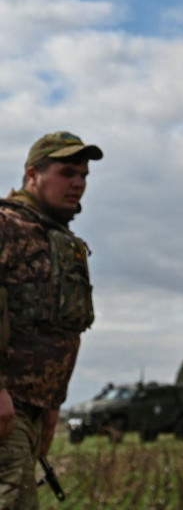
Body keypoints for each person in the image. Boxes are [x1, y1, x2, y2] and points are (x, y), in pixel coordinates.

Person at [0, 132, 101, 510]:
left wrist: (52, 403)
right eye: (67, 172)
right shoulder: (7, 225)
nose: (78, 183)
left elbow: (57, 327)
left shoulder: (54, 237)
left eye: (84, 176)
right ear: (32, 175)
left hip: (31, 411)